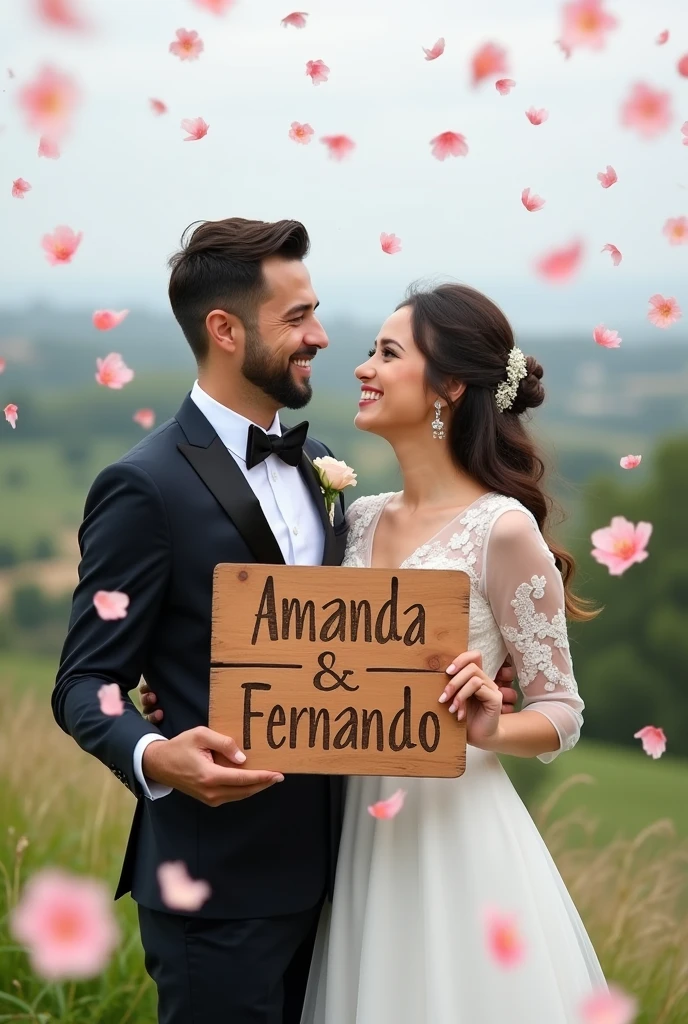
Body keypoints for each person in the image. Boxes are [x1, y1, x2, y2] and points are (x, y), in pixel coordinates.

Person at [52, 218, 518, 1024]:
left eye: (316, 313)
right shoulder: (143, 487)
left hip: (344, 881)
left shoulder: (320, 466)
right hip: (216, 889)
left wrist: (459, 672)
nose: (322, 337)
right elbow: (81, 681)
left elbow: (349, 641)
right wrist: (158, 755)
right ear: (225, 330)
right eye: (297, 318)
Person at [296, 283, 606, 1023]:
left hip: (456, 833)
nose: (364, 368)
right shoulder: (357, 519)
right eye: (370, 351)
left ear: (451, 386)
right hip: (356, 832)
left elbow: (562, 711)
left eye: (388, 353)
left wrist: (492, 725)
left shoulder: (502, 531)